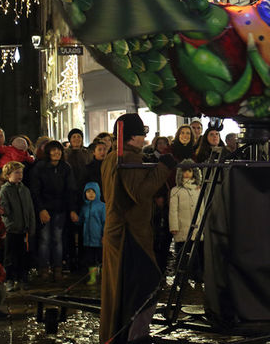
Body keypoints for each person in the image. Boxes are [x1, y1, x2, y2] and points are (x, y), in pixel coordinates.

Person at [100, 114, 176, 344]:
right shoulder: (128, 158)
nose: (145, 137)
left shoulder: (113, 157)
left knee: (122, 288)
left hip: (120, 232)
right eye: (142, 133)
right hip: (128, 233)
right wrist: (163, 168)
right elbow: (140, 193)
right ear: (133, 136)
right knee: (147, 282)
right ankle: (134, 336)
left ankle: (124, 335)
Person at [29, 139, 78, 281]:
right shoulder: (39, 168)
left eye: (59, 150)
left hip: (60, 209)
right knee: (44, 239)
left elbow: (71, 190)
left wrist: (72, 209)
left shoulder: (66, 168)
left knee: (57, 239)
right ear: (47, 152)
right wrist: (41, 209)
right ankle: (44, 268)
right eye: (53, 150)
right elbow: (35, 191)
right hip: (45, 208)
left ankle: (58, 268)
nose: (56, 152)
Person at [0, 161, 34, 291]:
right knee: (10, 256)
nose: (20, 175)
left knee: (22, 255)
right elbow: (4, 210)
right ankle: (9, 279)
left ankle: (22, 278)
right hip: (11, 229)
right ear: (8, 175)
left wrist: (31, 225)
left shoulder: (24, 190)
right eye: (16, 173)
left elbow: (30, 209)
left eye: (21, 172)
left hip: (22, 228)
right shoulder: (5, 190)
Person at [169, 162, 202, 279]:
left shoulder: (198, 190)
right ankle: (180, 274)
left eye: (189, 171)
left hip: (196, 227)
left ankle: (197, 274)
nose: (187, 173)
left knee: (196, 252)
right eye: (184, 171)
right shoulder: (176, 190)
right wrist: (174, 226)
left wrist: (203, 224)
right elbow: (173, 210)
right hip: (182, 227)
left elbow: (201, 208)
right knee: (181, 252)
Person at [79, 181, 106, 285]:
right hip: (88, 240)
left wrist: (104, 235)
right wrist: (76, 219)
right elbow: (81, 220)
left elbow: (105, 222)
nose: (90, 194)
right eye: (88, 191)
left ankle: (104, 278)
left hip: (99, 239)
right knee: (90, 260)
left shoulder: (102, 207)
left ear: (98, 193)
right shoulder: (84, 207)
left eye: (93, 192)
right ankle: (93, 277)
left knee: (101, 259)